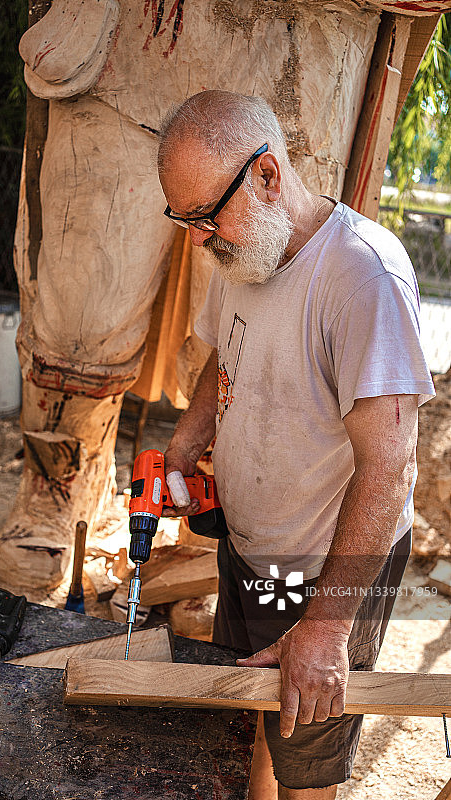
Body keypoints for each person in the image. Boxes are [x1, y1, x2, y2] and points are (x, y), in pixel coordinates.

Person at [157, 90, 435, 799]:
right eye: (182, 217)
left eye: (204, 214)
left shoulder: (362, 278)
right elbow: (225, 356)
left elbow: (389, 465)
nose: (196, 237)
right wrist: (187, 440)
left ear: (268, 175)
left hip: (324, 571)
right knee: (252, 716)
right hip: (252, 552)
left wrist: (325, 626)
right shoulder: (243, 251)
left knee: (306, 763)